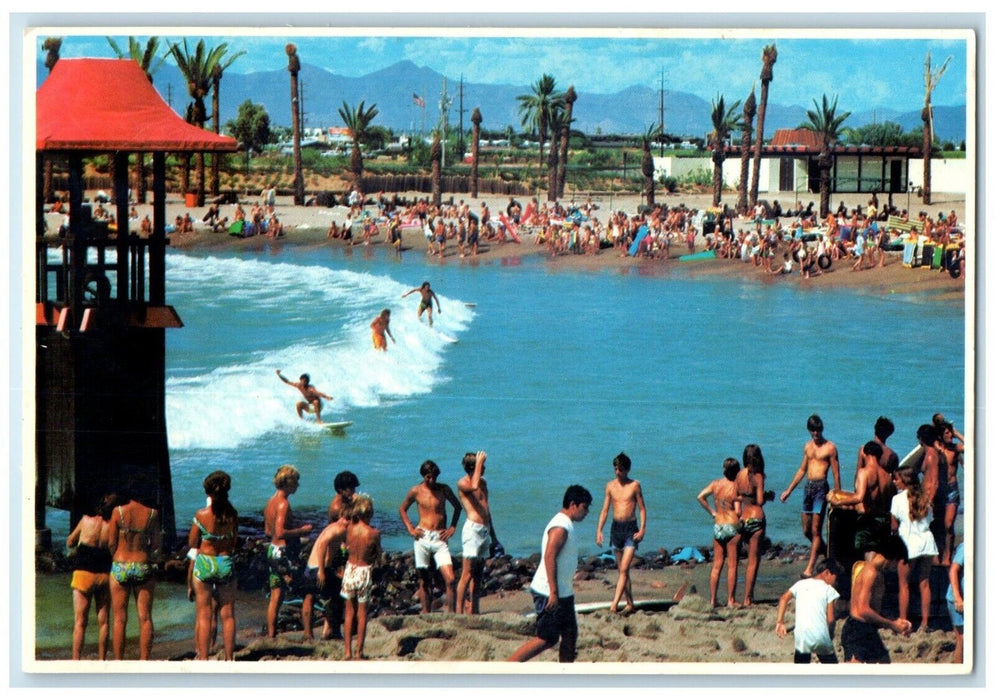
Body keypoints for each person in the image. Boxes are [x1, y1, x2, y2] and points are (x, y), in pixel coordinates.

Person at [509, 485, 593, 663]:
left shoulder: (566, 524)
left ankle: (565, 674)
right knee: (547, 638)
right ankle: (507, 667)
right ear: (573, 504)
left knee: (570, 635)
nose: (587, 512)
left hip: (564, 592)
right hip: (549, 592)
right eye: (585, 507)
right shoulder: (560, 526)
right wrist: (553, 593)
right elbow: (549, 556)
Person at [398, 460, 463, 613]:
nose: (432, 480)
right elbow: (402, 509)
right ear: (423, 475)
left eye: (434, 477)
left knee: (451, 579)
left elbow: (457, 507)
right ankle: (426, 615)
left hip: (440, 538)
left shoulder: (444, 489)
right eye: (428, 477)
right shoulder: (416, 491)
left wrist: (452, 527)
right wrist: (410, 529)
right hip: (422, 537)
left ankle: (452, 616)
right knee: (424, 581)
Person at [781, 414, 841, 578]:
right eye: (813, 430)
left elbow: (836, 473)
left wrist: (838, 495)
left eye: (819, 429)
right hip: (808, 488)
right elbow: (802, 470)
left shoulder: (830, 447)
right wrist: (789, 490)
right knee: (806, 530)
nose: (816, 433)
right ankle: (826, 552)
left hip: (821, 487)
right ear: (809, 430)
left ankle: (809, 568)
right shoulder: (807, 447)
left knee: (815, 530)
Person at [187, 471, 238, 660]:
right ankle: (229, 658)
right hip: (225, 562)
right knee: (228, 614)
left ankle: (204, 658)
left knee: (204, 614)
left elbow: (192, 542)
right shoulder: (233, 514)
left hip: (205, 562)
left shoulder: (201, 515)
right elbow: (233, 543)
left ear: (208, 492)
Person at [108, 485, 161, 660]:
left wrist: (116, 555)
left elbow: (111, 543)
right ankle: (144, 661)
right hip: (142, 564)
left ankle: (118, 662)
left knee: (119, 619)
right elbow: (155, 545)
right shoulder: (152, 514)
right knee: (145, 617)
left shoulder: (118, 512)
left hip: (120, 564)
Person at [263, 465, 314, 638]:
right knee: (307, 590)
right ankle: (308, 635)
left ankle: (271, 635)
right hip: (284, 552)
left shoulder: (270, 502)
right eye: (296, 481)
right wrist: (302, 531)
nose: (298, 485)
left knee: (276, 596)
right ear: (288, 483)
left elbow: (268, 532)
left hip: (272, 550)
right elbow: (280, 532)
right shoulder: (283, 504)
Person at [840, 543, 913, 663]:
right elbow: (863, 610)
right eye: (897, 564)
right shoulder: (871, 573)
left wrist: (895, 622)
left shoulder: (874, 571)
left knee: (884, 664)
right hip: (857, 631)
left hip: (867, 629)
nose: (894, 569)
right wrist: (892, 624)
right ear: (892, 558)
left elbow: (872, 609)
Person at [594, 452, 647, 615]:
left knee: (624, 569)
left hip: (631, 529)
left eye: (621, 470)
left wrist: (643, 529)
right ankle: (630, 603)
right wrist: (599, 530)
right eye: (616, 469)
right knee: (622, 571)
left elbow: (642, 509)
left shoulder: (635, 485)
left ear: (627, 470)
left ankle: (613, 606)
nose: (618, 472)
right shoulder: (610, 486)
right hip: (616, 529)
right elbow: (605, 510)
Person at [67, 493, 116, 660]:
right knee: (104, 623)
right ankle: (102, 660)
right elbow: (114, 549)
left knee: (80, 623)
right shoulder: (112, 527)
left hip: (83, 574)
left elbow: (70, 541)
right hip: (104, 575)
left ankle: (76, 661)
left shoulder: (85, 520)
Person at [890, 466, 939, 631]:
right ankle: (925, 623)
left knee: (903, 584)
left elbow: (894, 526)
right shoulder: (925, 498)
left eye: (897, 479)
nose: (895, 482)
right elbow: (930, 520)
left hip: (908, 544)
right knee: (924, 583)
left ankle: (904, 622)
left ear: (903, 481)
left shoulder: (897, 499)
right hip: (926, 541)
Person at [829, 441, 896, 558]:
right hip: (884, 519)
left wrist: (837, 501)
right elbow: (892, 499)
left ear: (865, 454)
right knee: (878, 555)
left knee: (868, 555)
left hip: (868, 520)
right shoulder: (887, 476)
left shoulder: (864, 472)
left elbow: (859, 497)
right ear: (879, 456)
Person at [456, 451, 502, 615]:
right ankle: (458, 612)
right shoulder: (463, 483)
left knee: (478, 576)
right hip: (472, 532)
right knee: (466, 574)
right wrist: (479, 463)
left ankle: (474, 610)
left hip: (484, 530)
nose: (484, 469)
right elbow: (473, 486)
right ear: (474, 467)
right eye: (482, 466)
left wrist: (494, 536)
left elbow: (486, 510)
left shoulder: (483, 482)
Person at [775, 558, 845, 664]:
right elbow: (831, 619)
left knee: (801, 667)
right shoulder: (829, 590)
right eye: (836, 577)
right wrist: (830, 634)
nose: (836, 582)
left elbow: (784, 598)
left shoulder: (800, 584)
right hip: (821, 636)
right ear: (827, 573)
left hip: (802, 635)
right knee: (831, 668)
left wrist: (780, 622)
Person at [697, 458, 743, 608]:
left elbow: (701, 497)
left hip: (718, 525)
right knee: (732, 565)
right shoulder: (736, 486)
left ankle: (713, 600)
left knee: (717, 565)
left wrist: (712, 512)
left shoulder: (716, 484)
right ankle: (731, 600)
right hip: (732, 525)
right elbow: (737, 510)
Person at [341, 494, 382, 660]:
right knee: (362, 613)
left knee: (349, 612)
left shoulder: (349, 528)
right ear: (370, 513)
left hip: (350, 569)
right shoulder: (373, 533)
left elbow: (346, 545)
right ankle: (359, 651)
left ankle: (347, 651)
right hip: (364, 570)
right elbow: (378, 554)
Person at [303, 501, 351, 641]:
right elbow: (323, 544)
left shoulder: (333, 527)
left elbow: (339, 547)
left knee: (309, 597)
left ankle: (308, 634)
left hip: (309, 567)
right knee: (338, 596)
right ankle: (331, 631)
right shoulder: (340, 529)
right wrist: (322, 571)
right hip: (318, 569)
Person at [737, 444, 773, 606]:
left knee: (746, 561)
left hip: (744, 518)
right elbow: (759, 501)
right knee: (753, 561)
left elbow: (740, 497)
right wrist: (768, 496)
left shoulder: (739, 474)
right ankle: (748, 598)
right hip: (756, 518)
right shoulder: (758, 476)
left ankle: (742, 596)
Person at [946, 541, 965, 664]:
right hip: (958, 599)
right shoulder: (966, 546)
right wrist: (958, 597)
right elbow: (953, 570)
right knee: (963, 639)